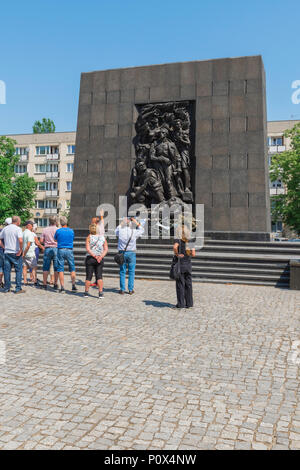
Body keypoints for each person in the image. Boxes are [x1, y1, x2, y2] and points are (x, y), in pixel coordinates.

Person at [115, 217, 144, 295]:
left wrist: (122, 223)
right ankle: (130, 290)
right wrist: (136, 222)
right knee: (131, 272)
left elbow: (116, 231)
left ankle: (122, 289)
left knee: (122, 271)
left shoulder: (120, 230)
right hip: (131, 253)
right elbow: (142, 230)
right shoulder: (134, 231)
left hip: (122, 253)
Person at [0, 216, 24, 294]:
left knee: (7, 271)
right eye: (19, 221)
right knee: (18, 270)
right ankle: (18, 288)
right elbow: (20, 240)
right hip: (15, 252)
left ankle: (7, 288)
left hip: (7, 252)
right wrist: (21, 250)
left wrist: (3, 247)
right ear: (17, 221)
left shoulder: (5, 228)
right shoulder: (18, 229)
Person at [173, 226, 195, 309]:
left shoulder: (178, 240)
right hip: (188, 265)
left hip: (180, 265)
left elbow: (175, 247)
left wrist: (177, 254)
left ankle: (181, 304)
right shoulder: (190, 240)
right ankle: (189, 303)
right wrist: (187, 254)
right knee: (188, 284)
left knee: (180, 284)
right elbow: (193, 254)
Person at [84, 223, 108, 299]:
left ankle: (86, 292)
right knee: (99, 276)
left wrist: (94, 255)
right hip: (99, 259)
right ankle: (100, 293)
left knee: (89, 276)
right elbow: (106, 249)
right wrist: (100, 257)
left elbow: (88, 249)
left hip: (90, 258)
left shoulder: (89, 237)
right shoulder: (102, 237)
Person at [54, 216, 76, 293]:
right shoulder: (71, 231)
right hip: (69, 250)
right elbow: (72, 239)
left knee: (60, 268)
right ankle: (73, 286)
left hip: (61, 250)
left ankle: (62, 287)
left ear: (60, 223)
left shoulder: (58, 231)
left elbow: (55, 239)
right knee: (72, 268)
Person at [23, 221, 44, 286]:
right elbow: (30, 244)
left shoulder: (22, 233)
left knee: (24, 267)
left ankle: (25, 281)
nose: (32, 227)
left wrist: (23, 253)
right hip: (30, 253)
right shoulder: (31, 234)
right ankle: (34, 280)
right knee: (34, 267)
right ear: (29, 225)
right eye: (32, 225)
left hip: (24, 253)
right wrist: (43, 248)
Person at [40, 216, 59, 290]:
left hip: (47, 249)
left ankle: (44, 284)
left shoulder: (45, 229)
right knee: (56, 267)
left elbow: (41, 241)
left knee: (45, 267)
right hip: (56, 249)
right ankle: (55, 283)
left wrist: (46, 241)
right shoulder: (58, 230)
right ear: (56, 221)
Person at [0, 218, 12, 289]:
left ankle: (0, 282)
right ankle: (7, 283)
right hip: (6, 251)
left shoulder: (2, 230)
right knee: (7, 268)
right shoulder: (10, 230)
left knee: (0, 267)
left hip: (1, 251)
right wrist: (4, 247)